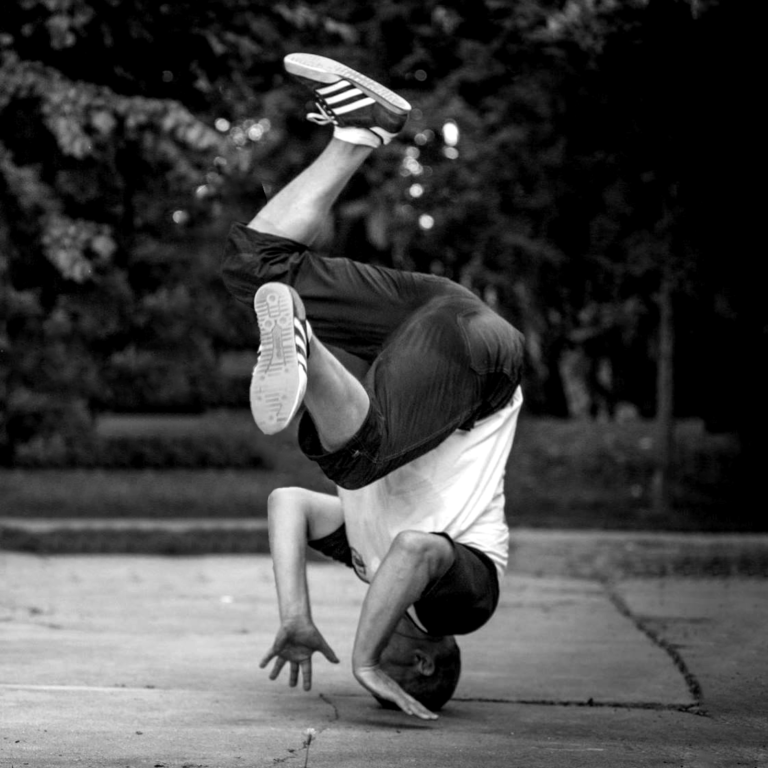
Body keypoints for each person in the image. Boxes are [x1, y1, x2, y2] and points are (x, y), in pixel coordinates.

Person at [221, 53, 525, 720]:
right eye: (392, 668)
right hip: (483, 366)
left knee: (256, 267)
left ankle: (362, 130)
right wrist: (362, 658)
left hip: (427, 323)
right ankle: (308, 343)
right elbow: (417, 550)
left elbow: (288, 507)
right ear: (418, 662)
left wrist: (295, 615)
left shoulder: (364, 556)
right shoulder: (463, 605)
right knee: (357, 460)